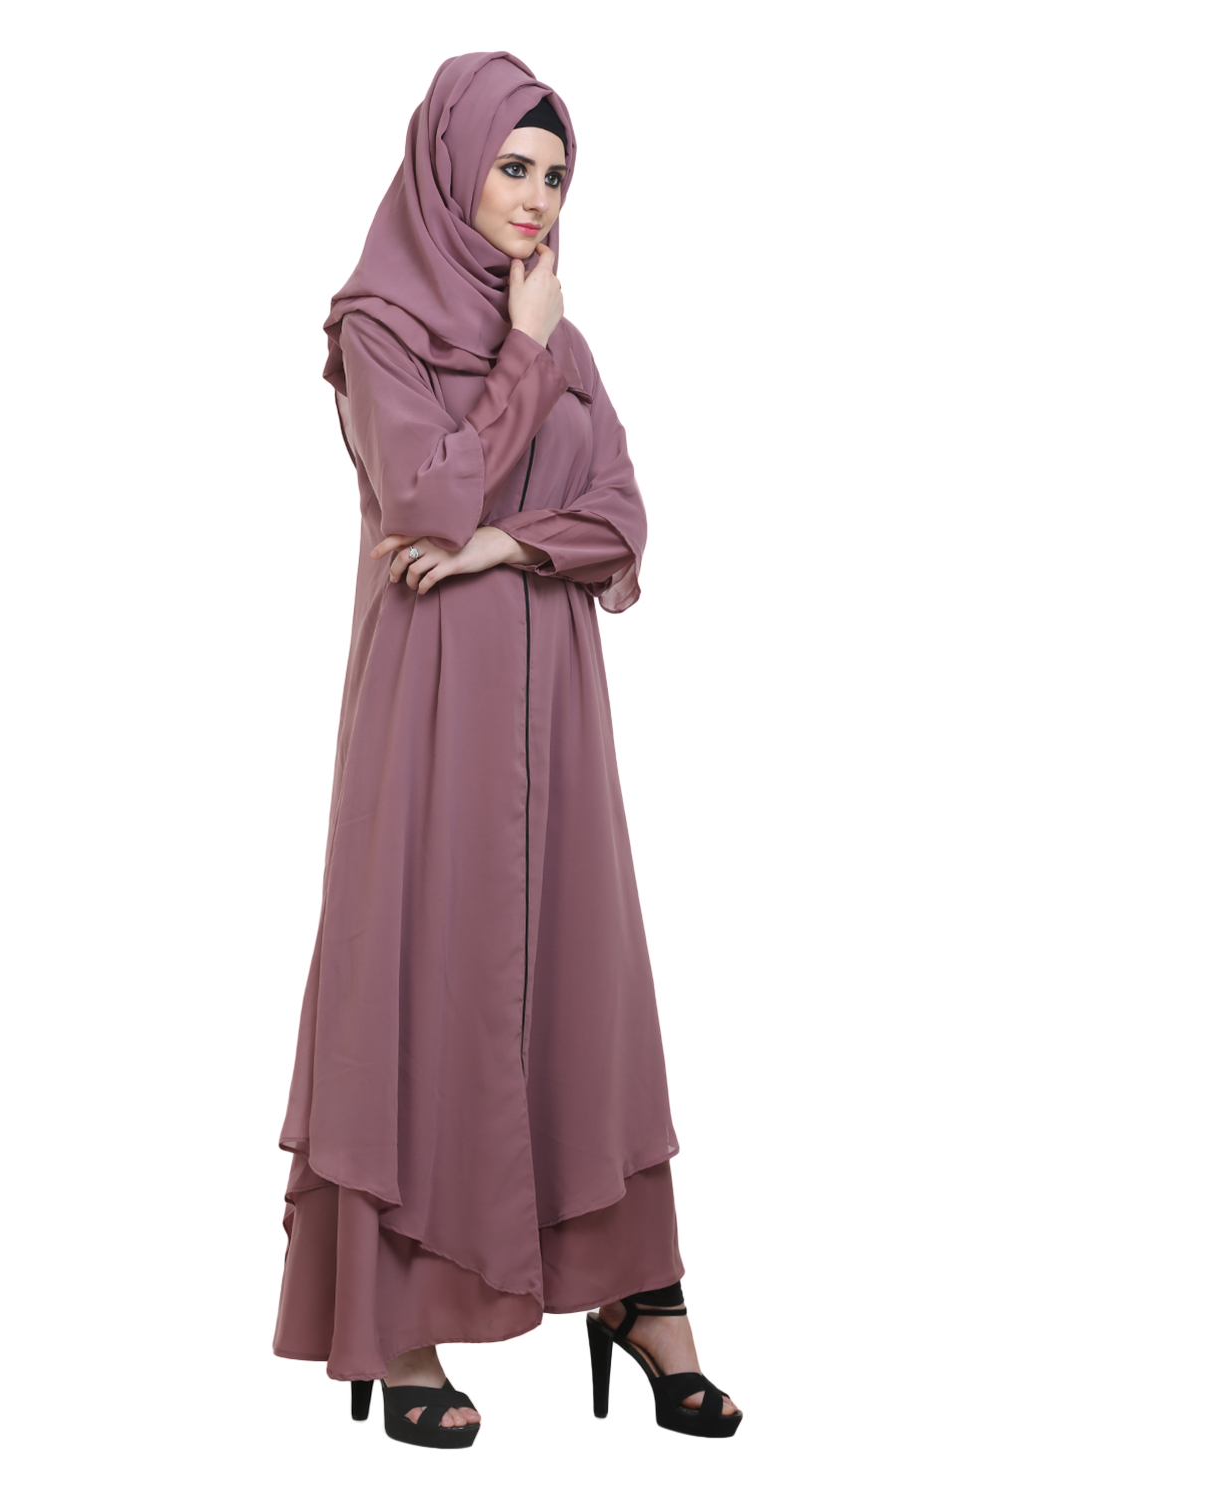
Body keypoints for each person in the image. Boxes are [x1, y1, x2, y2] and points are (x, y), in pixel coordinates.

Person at [272, 51, 741, 1447]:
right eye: (513, 168)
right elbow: (423, 494)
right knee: (428, 978)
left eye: (556, 177)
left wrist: (498, 544)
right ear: (450, 166)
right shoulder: (380, 331)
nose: (536, 199)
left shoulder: (565, 342)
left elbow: (622, 520)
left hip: (560, 717)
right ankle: (398, 1321)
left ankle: (642, 1296)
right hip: (433, 712)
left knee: (586, 988)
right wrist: (522, 368)